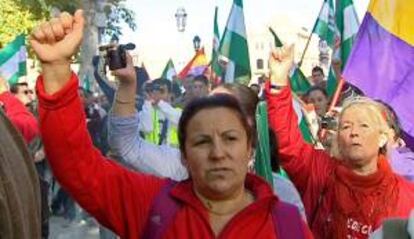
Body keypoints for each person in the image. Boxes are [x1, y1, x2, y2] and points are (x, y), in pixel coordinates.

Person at [30, 10, 312, 238]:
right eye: (202, 140)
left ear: (250, 145)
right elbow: (78, 168)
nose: (217, 152)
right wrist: (56, 70)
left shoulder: (287, 221)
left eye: (230, 137)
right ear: (184, 155)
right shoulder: (153, 205)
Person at [266, 44, 414, 238]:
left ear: (382, 138)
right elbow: (286, 142)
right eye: (345, 126)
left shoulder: (407, 195)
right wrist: (278, 81)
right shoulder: (319, 171)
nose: (353, 132)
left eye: (364, 126)